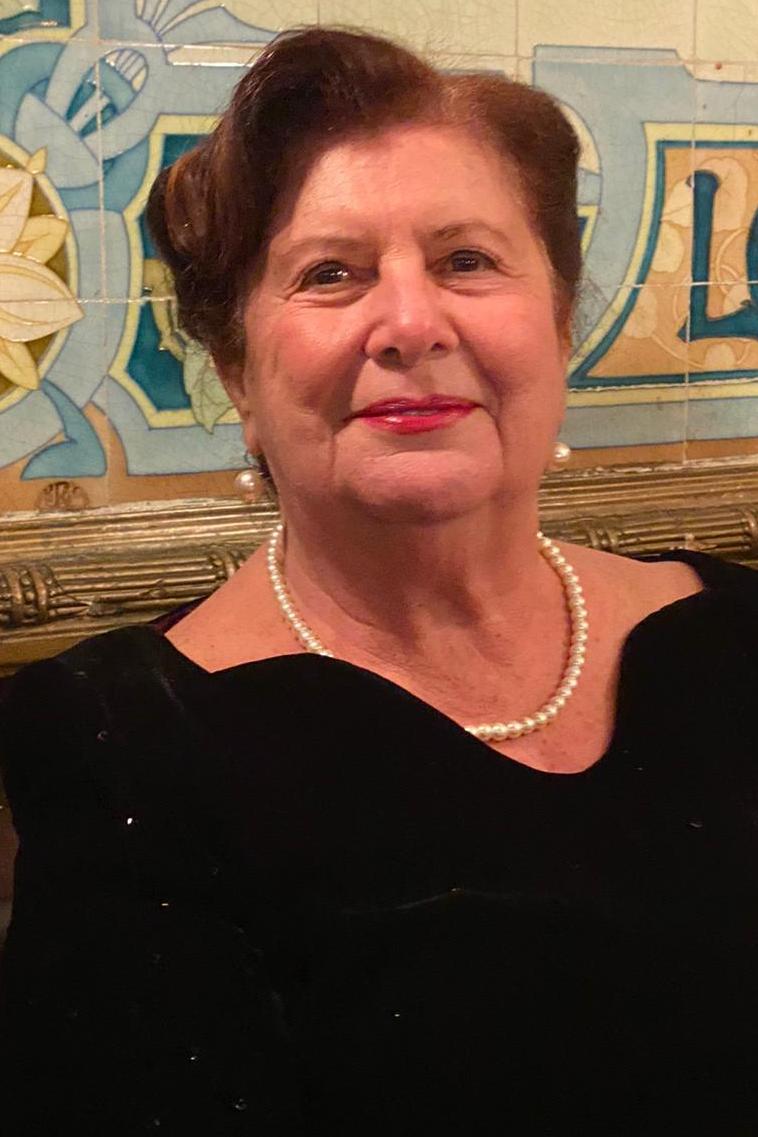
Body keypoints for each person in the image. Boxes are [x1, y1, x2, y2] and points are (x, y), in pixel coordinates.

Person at [2, 25, 758, 1137]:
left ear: (557, 325)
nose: (409, 324)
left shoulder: (731, 634)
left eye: (466, 261)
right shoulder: (122, 748)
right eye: (331, 274)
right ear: (237, 373)